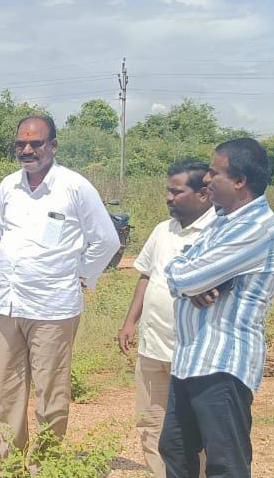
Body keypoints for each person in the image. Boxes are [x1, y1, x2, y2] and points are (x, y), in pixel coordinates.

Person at [0, 115, 120, 457]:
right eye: (21, 144)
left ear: (52, 146)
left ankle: (44, 463)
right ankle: (13, 462)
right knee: (8, 389)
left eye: (36, 143)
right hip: (9, 303)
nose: (28, 149)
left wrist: (82, 275)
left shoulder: (74, 187)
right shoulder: (8, 187)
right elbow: (7, 234)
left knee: (50, 392)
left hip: (53, 308)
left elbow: (106, 240)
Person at [159, 139, 274, 478]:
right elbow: (179, 266)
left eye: (215, 172)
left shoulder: (258, 227)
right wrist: (190, 281)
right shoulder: (221, 219)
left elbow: (186, 277)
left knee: (225, 463)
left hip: (222, 364)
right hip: (191, 360)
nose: (206, 179)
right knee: (175, 450)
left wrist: (190, 281)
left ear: (240, 180)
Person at [117, 160, 215, 478]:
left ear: (203, 194)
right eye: (167, 191)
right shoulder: (162, 230)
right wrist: (130, 322)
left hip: (193, 354)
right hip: (152, 348)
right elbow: (146, 275)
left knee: (192, 433)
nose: (168, 197)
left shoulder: (218, 233)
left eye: (176, 191)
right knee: (150, 425)